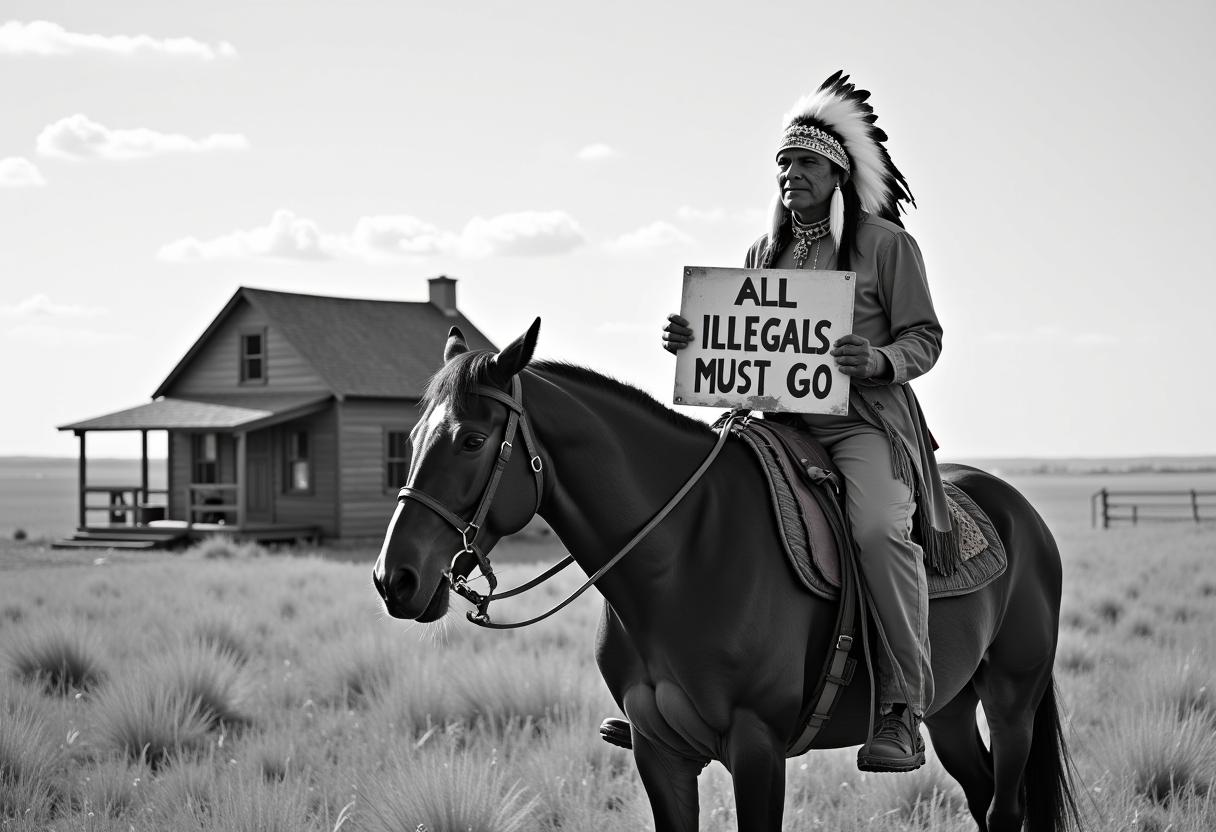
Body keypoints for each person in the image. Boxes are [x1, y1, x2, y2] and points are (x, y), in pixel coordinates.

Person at [661, 72, 954, 773]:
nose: (792, 174)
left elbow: (927, 337)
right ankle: (671, 686)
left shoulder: (886, 246)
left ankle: (901, 708)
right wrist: (693, 341)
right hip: (773, 426)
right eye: (784, 164)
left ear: (838, 173)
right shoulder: (762, 255)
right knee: (691, 502)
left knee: (879, 532)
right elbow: (747, 343)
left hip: (861, 426)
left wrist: (878, 359)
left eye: (808, 163)